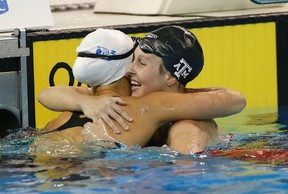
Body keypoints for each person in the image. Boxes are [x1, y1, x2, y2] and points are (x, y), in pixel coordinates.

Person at [33, 27, 246, 154]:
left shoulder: (186, 128)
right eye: (132, 61)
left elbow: (236, 100)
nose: (130, 70)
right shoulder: (116, 104)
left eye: (141, 63)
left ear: (171, 76)